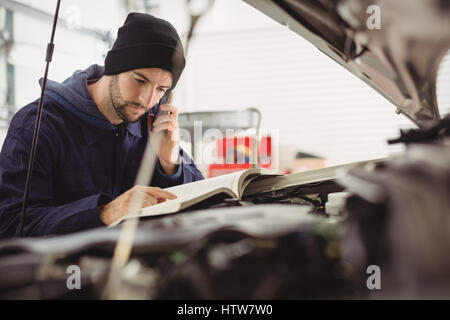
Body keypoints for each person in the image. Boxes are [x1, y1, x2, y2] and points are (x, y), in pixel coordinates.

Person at [0, 13, 204, 238]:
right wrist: (103, 212)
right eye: (140, 80)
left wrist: (170, 165)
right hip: (63, 270)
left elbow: (200, 200)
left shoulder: (153, 123)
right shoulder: (37, 125)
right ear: (113, 66)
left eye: (161, 89)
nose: (147, 100)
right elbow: (10, 225)